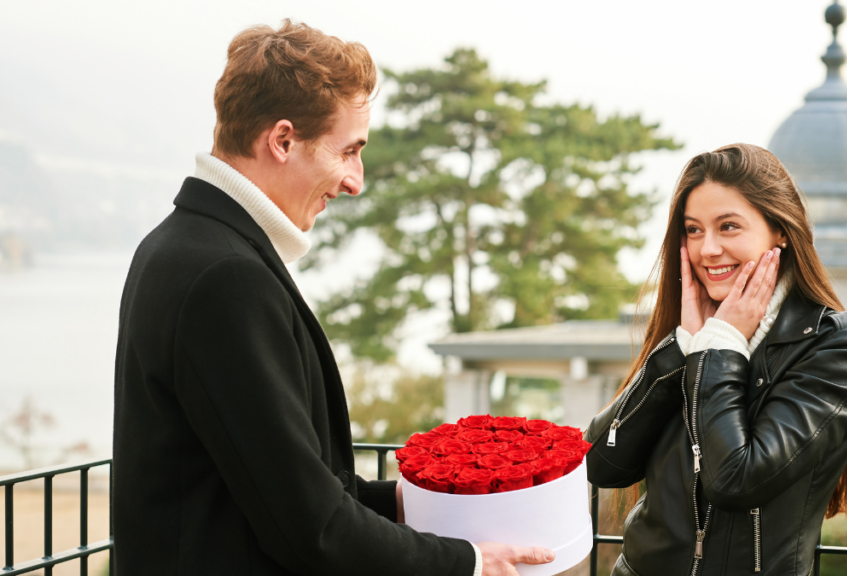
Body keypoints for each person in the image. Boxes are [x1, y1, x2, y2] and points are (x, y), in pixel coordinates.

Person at [112, 20, 553, 576]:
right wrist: (468, 564)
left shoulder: (178, 245)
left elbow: (283, 485)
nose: (356, 180)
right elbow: (311, 528)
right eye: (348, 151)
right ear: (282, 140)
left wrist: (437, 496)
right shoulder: (225, 277)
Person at [584, 143, 847, 576]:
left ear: (780, 229)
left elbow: (736, 480)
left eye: (729, 227)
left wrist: (718, 348)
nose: (708, 249)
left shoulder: (836, 349)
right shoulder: (689, 328)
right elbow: (602, 462)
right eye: (694, 229)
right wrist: (684, 347)